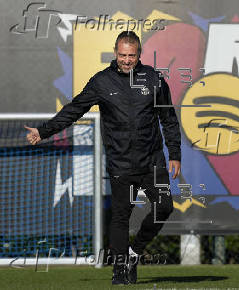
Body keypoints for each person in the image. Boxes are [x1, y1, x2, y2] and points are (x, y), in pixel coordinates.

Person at [24, 30, 181, 285]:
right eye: (122, 55)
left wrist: (175, 153)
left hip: (152, 160)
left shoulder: (154, 79)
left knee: (164, 208)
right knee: (120, 217)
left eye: (132, 55)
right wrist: (44, 131)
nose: (127, 60)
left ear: (139, 54)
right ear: (115, 53)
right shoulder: (101, 82)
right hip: (120, 162)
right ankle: (119, 270)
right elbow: (74, 109)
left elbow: (168, 119)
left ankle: (134, 252)